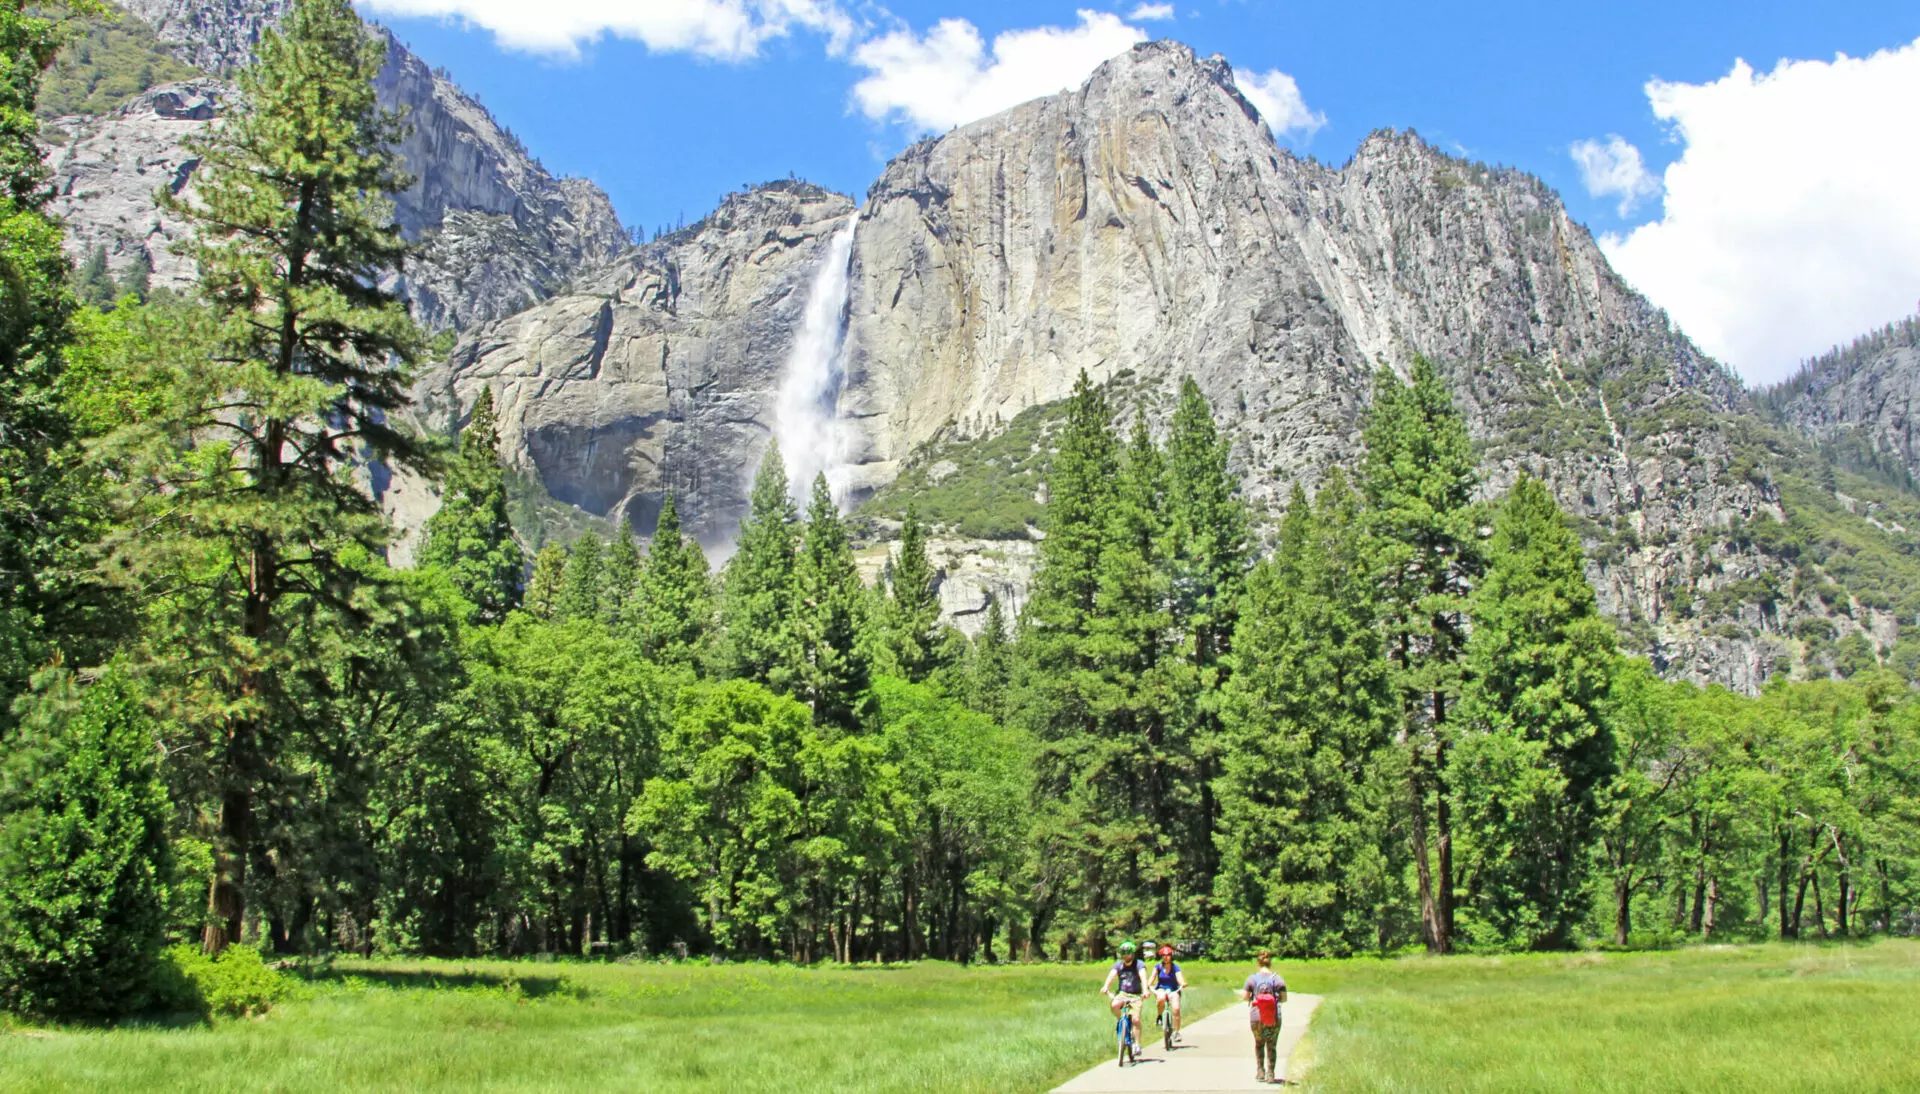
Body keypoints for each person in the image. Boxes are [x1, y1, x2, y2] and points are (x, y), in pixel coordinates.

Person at [1239, 949, 1288, 1083]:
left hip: (1257, 1017)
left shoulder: (1252, 979)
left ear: (1258, 963)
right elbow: (1284, 998)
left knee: (1259, 1043)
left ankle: (1260, 1071)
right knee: (1271, 1045)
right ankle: (1271, 1074)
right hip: (1273, 1017)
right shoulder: (1277, 979)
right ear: (1270, 963)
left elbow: (1245, 997)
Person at [1100, 940, 1150, 1055]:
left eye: (1128, 953)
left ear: (1132, 954)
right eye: (1123, 953)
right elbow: (1112, 975)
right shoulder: (1118, 965)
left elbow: (1143, 978)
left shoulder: (1139, 964)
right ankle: (1121, 1022)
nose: (1125, 956)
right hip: (1122, 993)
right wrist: (1106, 986)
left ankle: (1137, 1044)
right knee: (1114, 1005)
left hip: (1136, 994)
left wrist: (1146, 990)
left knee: (1136, 1019)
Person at [1152, 944, 1188, 1044]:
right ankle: (1159, 1016)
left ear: (1171, 956)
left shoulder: (1175, 967)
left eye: (1168, 955)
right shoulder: (1158, 967)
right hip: (1161, 989)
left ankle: (1176, 1032)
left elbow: (1179, 978)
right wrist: (1147, 985)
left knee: (1176, 1009)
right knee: (1160, 999)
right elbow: (1152, 978)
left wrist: (1183, 983)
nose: (1166, 957)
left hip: (1173, 990)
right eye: (1164, 955)